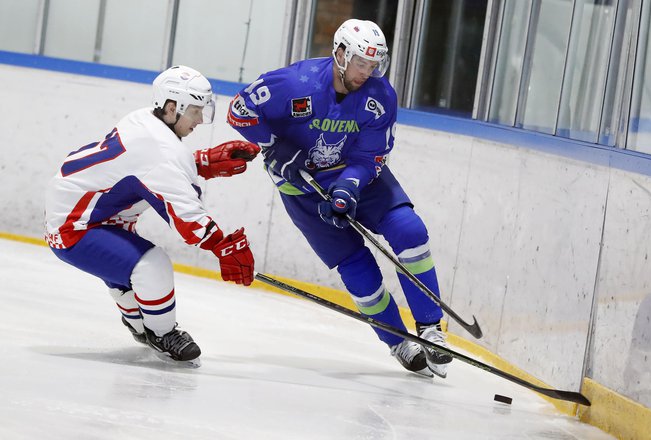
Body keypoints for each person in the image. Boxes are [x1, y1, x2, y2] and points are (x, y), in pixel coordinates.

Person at [227, 19, 452, 377]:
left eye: (374, 64)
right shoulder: (294, 82)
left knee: (409, 230)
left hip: (360, 179)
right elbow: (239, 111)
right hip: (301, 187)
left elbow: (370, 157)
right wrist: (273, 145)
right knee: (356, 267)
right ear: (341, 53)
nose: (368, 71)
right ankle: (397, 342)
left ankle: (430, 328)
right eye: (361, 62)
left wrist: (348, 186)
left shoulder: (381, 96)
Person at [44, 65, 259, 367]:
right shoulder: (162, 152)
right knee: (151, 265)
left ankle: (139, 324)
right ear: (172, 108)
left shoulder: (145, 119)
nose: (200, 119)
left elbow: (148, 168)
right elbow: (187, 217)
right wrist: (223, 246)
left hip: (83, 212)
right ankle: (163, 334)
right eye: (196, 111)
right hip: (76, 225)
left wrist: (202, 162)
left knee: (129, 266)